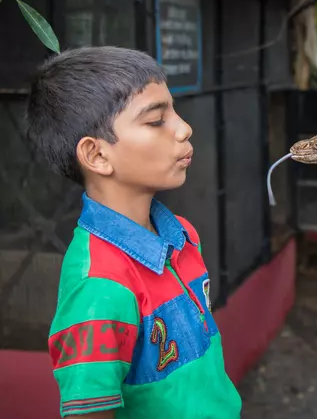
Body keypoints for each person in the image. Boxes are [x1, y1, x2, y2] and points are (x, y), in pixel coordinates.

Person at [26, 47, 241, 418]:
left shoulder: (183, 236)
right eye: (157, 120)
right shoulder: (99, 286)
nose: (184, 128)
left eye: (174, 111)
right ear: (97, 156)